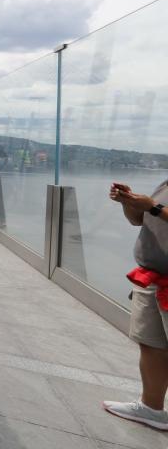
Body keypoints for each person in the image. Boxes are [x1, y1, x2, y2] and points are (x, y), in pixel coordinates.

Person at [102, 180, 168, 431]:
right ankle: (152, 409)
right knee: (152, 344)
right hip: (151, 276)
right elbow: (139, 220)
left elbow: (154, 211)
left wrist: (152, 206)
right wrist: (128, 203)